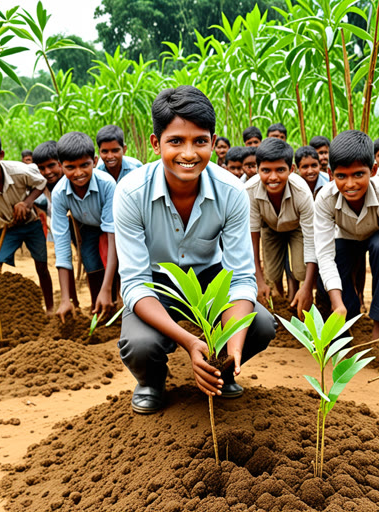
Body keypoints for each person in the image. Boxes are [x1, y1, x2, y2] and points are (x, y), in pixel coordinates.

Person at [113, 85, 276, 414]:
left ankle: (222, 372)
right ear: (155, 143)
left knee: (260, 323)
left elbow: (242, 278)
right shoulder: (131, 193)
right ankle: (152, 381)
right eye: (176, 141)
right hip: (157, 284)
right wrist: (189, 341)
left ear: (213, 144)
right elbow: (134, 283)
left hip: (211, 281)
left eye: (200, 141)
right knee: (140, 345)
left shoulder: (231, 191)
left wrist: (232, 348)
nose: (188, 153)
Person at [314, 130, 379, 367]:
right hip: (345, 238)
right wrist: (337, 304)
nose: (350, 184)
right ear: (330, 174)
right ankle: (346, 320)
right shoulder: (325, 199)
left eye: (359, 174)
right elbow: (325, 256)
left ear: (374, 170)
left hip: (377, 235)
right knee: (337, 260)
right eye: (341, 176)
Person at [0, 127, 54, 313]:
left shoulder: (19, 171)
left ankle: (49, 308)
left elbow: (41, 183)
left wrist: (27, 202)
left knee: (41, 265)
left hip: (31, 224)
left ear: (1, 154)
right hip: (5, 226)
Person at [246, 137, 317, 318]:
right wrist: (259, 281)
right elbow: (252, 241)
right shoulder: (250, 191)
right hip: (270, 227)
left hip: (297, 227)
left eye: (280, 170)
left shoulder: (301, 192)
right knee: (271, 273)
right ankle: (280, 298)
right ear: (257, 169)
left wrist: (308, 288)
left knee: (300, 270)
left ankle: (299, 294)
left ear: (291, 170)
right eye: (266, 170)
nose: (273, 177)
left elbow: (311, 240)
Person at [51, 132, 118, 322]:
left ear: (95, 161)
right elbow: (62, 245)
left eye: (84, 165)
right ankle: (100, 306)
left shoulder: (107, 184)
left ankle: (115, 298)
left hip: (115, 226)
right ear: (61, 166)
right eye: (70, 167)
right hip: (87, 226)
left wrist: (107, 289)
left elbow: (112, 236)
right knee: (91, 262)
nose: (78, 173)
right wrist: (65, 299)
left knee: (118, 259)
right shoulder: (59, 193)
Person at [32, 140, 79, 308]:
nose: (47, 172)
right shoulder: (41, 184)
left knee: (89, 261)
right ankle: (73, 301)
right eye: (42, 168)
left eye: (52, 166)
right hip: (61, 224)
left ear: (61, 163)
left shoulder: (73, 178)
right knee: (64, 259)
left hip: (81, 223)